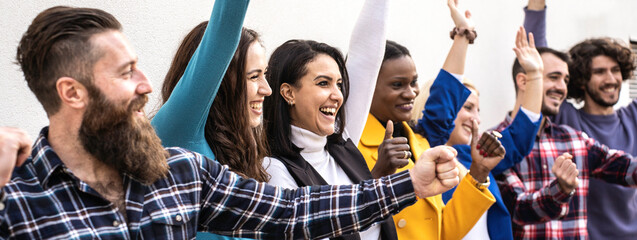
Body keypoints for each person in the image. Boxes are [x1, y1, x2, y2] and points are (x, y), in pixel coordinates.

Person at [0, 4, 463, 239]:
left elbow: (294, 212)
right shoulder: (15, 198)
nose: (147, 84)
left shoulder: (181, 172)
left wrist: (410, 184)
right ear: (71, 92)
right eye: (125, 73)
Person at [357, 1, 497, 239]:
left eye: (413, 83)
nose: (411, 92)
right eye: (397, 84)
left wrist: (479, 172)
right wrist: (379, 172)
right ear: (366, 86)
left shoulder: (421, 142)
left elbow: (444, 232)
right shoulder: (347, 145)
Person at [262, 1, 400, 239]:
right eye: (323, 83)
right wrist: (378, 180)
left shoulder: (340, 143)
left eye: (339, 84)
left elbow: (366, 56)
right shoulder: (274, 169)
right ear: (288, 93)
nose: (337, 95)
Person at [493, 42, 637, 239]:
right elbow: (519, 209)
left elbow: (627, 169)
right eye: (554, 77)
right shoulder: (496, 142)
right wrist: (561, 189)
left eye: (565, 80)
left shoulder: (574, 139)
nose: (561, 87)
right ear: (524, 81)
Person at [523, 1, 637, 238]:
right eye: (600, 72)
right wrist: (536, 7)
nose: (611, 78)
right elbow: (538, 59)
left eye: (615, 70)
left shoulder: (633, 116)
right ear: (582, 80)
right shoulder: (567, 119)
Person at [418, 27, 543, 240]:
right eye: (467, 108)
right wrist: (462, 37)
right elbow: (442, 108)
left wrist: (535, 76)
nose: (476, 119)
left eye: (478, 110)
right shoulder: (421, 151)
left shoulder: (472, 155)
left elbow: (520, 136)